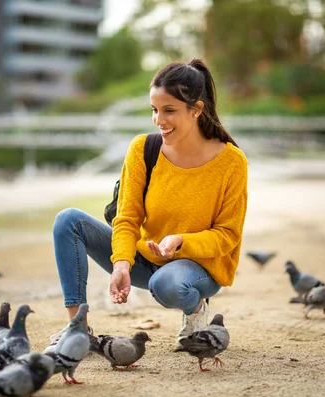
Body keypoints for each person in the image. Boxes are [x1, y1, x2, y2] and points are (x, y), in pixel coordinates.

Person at [48, 58, 248, 348]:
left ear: (196, 109)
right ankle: (77, 328)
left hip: (197, 268)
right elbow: (127, 218)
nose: (158, 120)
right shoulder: (143, 149)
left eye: (169, 110)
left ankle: (195, 312)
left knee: (166, 284)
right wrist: (121, 263)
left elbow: (228, 235)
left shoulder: (232, 162)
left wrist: (181, 242)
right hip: (147, 258)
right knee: (68, 220)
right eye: (154, 110)